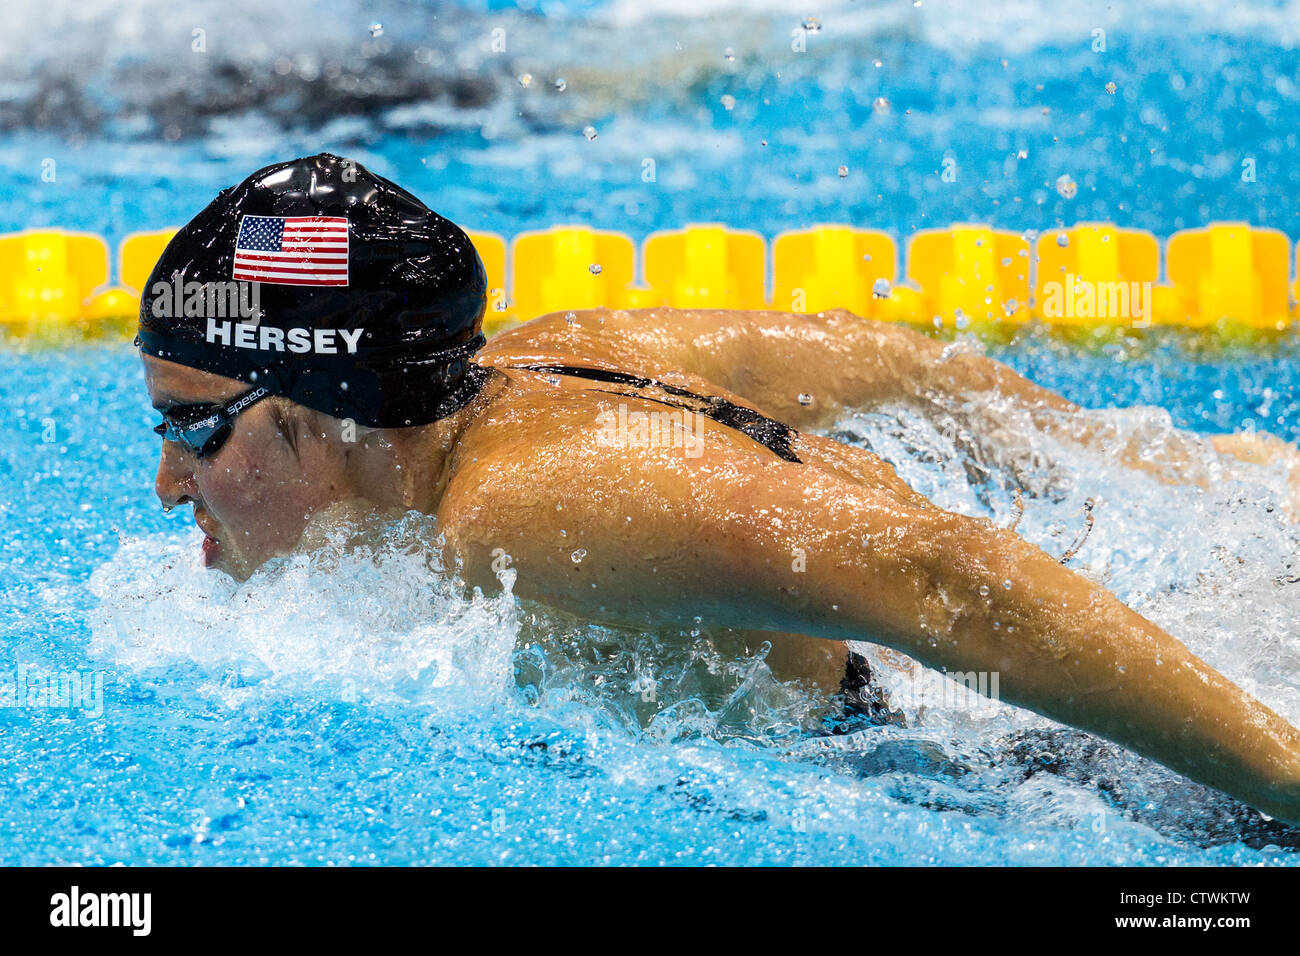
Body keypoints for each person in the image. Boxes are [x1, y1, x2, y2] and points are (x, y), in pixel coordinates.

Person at [138, 153, 1300, 825]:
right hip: (1140, 655)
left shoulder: (526, 512)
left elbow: (944, 579)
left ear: (326, 408)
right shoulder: (545, 353)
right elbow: (889, 360)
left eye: (192, 428)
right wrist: (1134, 462)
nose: (165, 484)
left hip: (1053, 767)